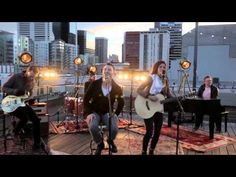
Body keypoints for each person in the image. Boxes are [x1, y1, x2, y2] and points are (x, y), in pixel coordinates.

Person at [83, 63, 124, 155]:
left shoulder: (117, 88)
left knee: (114, 129)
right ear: (102, 72)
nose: (107, 71)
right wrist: (88, 113)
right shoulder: (95, 84)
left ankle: (110, 140)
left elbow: (121, 102)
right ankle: (100, 143)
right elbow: (85, 99)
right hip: (94, 112)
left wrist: (116, 114)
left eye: (109, 70)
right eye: (105, 69)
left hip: (107, 112)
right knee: (93, 127)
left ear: (113, 73)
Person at [2, 66, 41, 151]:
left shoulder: (32, 81)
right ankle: (15, 132)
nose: (32, 78)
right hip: (9, 103)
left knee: (36, 120)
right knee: (25, 118)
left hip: (20, 102)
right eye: (31, 76)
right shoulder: (16, 77)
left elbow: (28, 94)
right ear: (28, 71)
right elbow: (4, 88)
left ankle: (37, 143)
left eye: (33, 77)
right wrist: (15, 91)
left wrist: (30, 99)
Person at [137, 60, 172, 155]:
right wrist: (149, 96)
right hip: (147, 105)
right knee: (149, 132)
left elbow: (168, 94)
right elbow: (139, 90)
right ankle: (144, 151)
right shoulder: (150, 78)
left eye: (164, 67)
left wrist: (177, 98)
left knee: (157, 132)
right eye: (161, 67)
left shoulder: (165, 80)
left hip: (159, 108)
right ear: (156, 68)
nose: (162, 69)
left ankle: (151, 150)